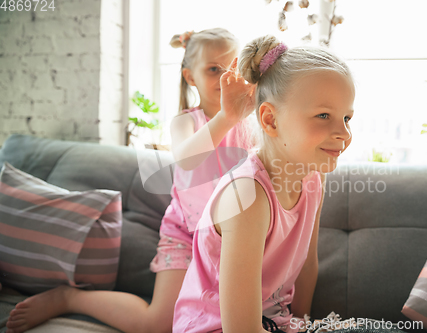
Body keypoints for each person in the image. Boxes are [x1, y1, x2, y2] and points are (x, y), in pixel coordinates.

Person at [5, 28, 256, 333]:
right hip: (185, 237)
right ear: (191, 77)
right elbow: (188, 157)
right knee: (156, 324)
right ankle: (69, 298)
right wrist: (227, 117)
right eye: (214, 69)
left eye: (232, 69)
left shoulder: (250, 126)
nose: (224, 78)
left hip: (234, 237)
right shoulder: (185, 122)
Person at [173, 35, 355, 333]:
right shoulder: (248, 196)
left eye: (347, 117)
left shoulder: (313, 178)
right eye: (324, 115)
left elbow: (308, 265)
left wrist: (305, 324)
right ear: (270, 120)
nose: (344, 133)